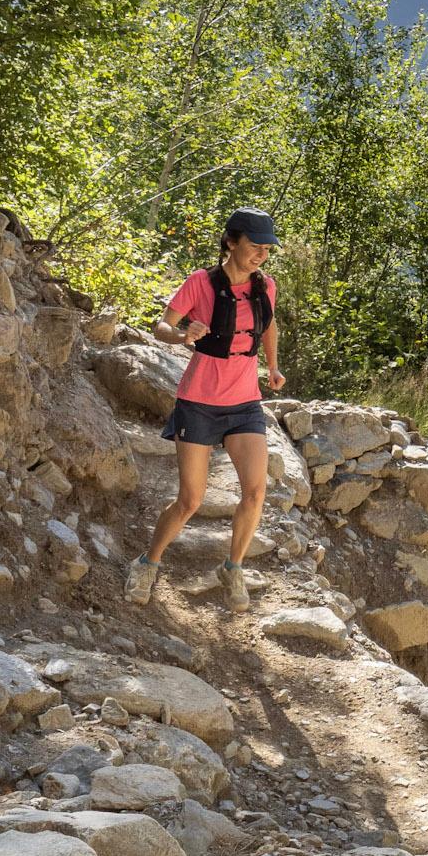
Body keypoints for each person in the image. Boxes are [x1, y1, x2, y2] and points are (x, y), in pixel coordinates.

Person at [124, 207, 286, 612]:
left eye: (267, 249)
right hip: (198, 404)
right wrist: (182, 335)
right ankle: (148, 563)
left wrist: (273, 366)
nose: (261, 256)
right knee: (190, 501)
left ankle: (233, 568)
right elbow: (161, 327)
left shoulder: (266, 286)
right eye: (255, 247)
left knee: (254, 492)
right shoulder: (200, 283)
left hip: (245, 403)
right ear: (231, 243)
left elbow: (268, 326)